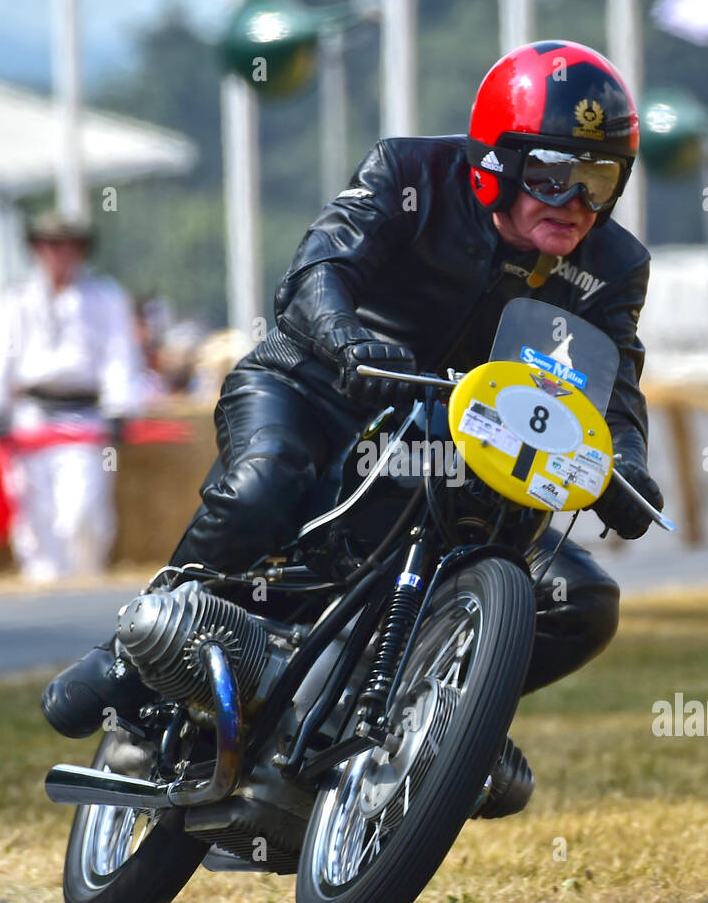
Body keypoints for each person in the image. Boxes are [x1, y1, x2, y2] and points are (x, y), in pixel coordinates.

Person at [42, 42, 665, 817]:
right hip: (319, 390)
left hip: (462, 447)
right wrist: (347, 340)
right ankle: (130, 659)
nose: (573, 199)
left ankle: (443, 719)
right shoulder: (408, 175)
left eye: (597, 178)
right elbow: (316, 271)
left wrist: (628, 464)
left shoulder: (614, 264)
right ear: (495, 161)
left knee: (582, 601)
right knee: (263, 483)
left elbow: (616, 383)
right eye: (548, 173)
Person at [0, 211, 144, 581]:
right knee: (33, 512)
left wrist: (120, 407)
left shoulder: (104, 296)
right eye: (49, 245)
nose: (58, 253)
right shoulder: (17, 299)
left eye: (67, 245)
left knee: (82, 509)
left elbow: (119, 353)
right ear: (36, 249)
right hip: (30, 418)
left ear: (80, 250)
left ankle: (85, 579)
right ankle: (43, 586)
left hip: (84, 417)